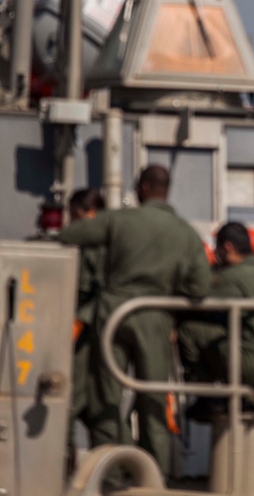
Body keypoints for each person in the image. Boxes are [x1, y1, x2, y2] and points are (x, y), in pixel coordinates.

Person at [59, 165, 212, 475]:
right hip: (155, 318)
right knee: (153, 403)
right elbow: (200, 287)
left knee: (107, 398)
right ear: (166, 190)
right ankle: (154, 477)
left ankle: (111, 474)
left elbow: (70, 234)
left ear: (141, 188)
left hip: (112, 316)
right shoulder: (185, 233)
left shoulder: (119, 220)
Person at [178, 222, 254, 400]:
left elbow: (199, 301)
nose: (216, 254)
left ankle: (206, 398)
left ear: (228, 248)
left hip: (252, 366)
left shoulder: (234, 277)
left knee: (188, 330)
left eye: (218, 249)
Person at [66, 188, 117, 468]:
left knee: (76, 402)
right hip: (92, 330)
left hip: (90, 332)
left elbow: (101, 289)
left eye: (75, 216)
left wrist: (80, 318)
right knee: (96, 406)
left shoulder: (99, 245)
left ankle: (104, 474)